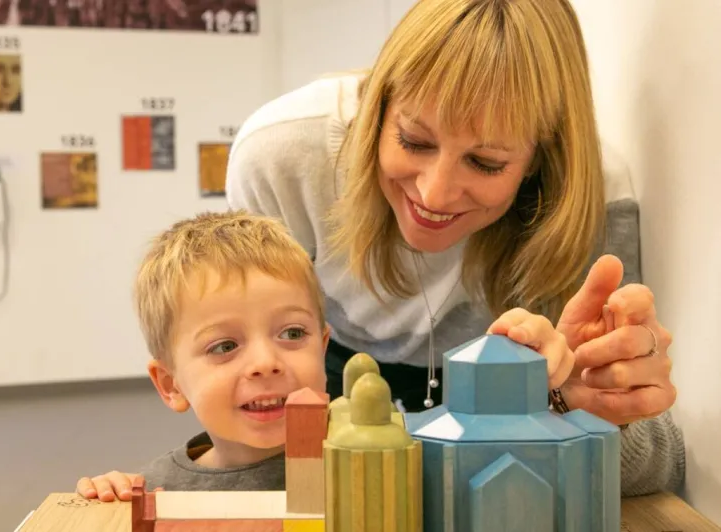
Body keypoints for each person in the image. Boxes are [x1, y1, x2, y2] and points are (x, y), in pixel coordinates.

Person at [223, 0, 684, 497]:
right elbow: (238, 429)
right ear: (378, 108)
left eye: (485, 162)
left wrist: (575, 408)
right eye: (413, 141)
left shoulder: (591, 199)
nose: (435, 194)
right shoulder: (281, 159)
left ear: (539, 158)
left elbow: (659, 463)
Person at [76, 210, 574, 500]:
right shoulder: (155, 493)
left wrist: (530, 378)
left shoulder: (389, 451)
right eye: (224, 346)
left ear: (323, 346)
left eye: (291, 333)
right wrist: (105, 503)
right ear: (170, 384)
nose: (265, 362)